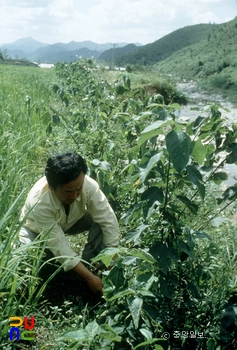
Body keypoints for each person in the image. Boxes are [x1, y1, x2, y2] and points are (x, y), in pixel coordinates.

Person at [19, 151, 119, 295]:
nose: (74, 196)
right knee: (25, 258)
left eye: (78, 189)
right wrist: (90, 279)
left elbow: (108, 220)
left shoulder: (89, 185)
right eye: (67, 192)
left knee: (102, 220)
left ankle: (89, 261)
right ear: (52, 187)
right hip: (36, 231)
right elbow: (59, 245)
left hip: (71, 222)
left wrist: (112, 264)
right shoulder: (39, 202)